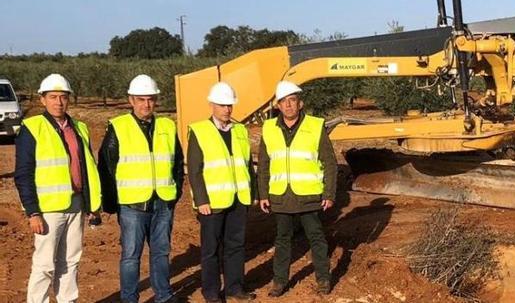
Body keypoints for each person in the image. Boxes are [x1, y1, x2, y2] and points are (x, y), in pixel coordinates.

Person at [14, 73, 102, 303]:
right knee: (44, 264)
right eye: (53, 97)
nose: (58, 102)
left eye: (63, 97)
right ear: (42, 99)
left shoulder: (80, 127)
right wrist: (32, 211)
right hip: (47, 209)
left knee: (71, 261)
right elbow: (23, 174)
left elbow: (87, 168)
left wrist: (92, 204)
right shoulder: (32, 128)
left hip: (76, 204)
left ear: (69, 99)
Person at [98, 74, 184, 303]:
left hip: (162, 202)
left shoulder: (167, 125)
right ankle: (129, 299)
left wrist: (175, 194)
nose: (146, 104)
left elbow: (177, 163)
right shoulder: (118, 127)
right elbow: (106, 165)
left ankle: (164, 296)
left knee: (161, 254)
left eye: (150, 99)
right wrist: (110, 203)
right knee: (130, 257)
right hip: (132, 206)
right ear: (131, 100)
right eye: (141, 99)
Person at [258, 81, 337, 297]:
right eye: (284, 102)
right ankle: (279, 282)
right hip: (281, 196)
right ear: (278, 106)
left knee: (316, 238)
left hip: (308, 196)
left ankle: (323, 279)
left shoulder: (314, 126)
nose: (288, 105)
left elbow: (330, 162)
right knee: (282, 240)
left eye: (292, 100)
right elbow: (264, 165)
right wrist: (263, 194)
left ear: (300, 103)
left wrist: (329, 194)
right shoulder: (269, 129)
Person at [187, 82, 255, 302]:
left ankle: (235, 288)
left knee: (236, 246)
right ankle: (212, 293)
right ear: (211, 105)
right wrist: (201, 200)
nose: (227, 109)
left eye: (229, 105)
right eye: (222, 105)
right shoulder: (199, 130)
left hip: (238, 200)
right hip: (212, 203)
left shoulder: (240, 131)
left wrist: (251, 194)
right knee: (211, 250)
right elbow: (195, 170)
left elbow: (246, 166)